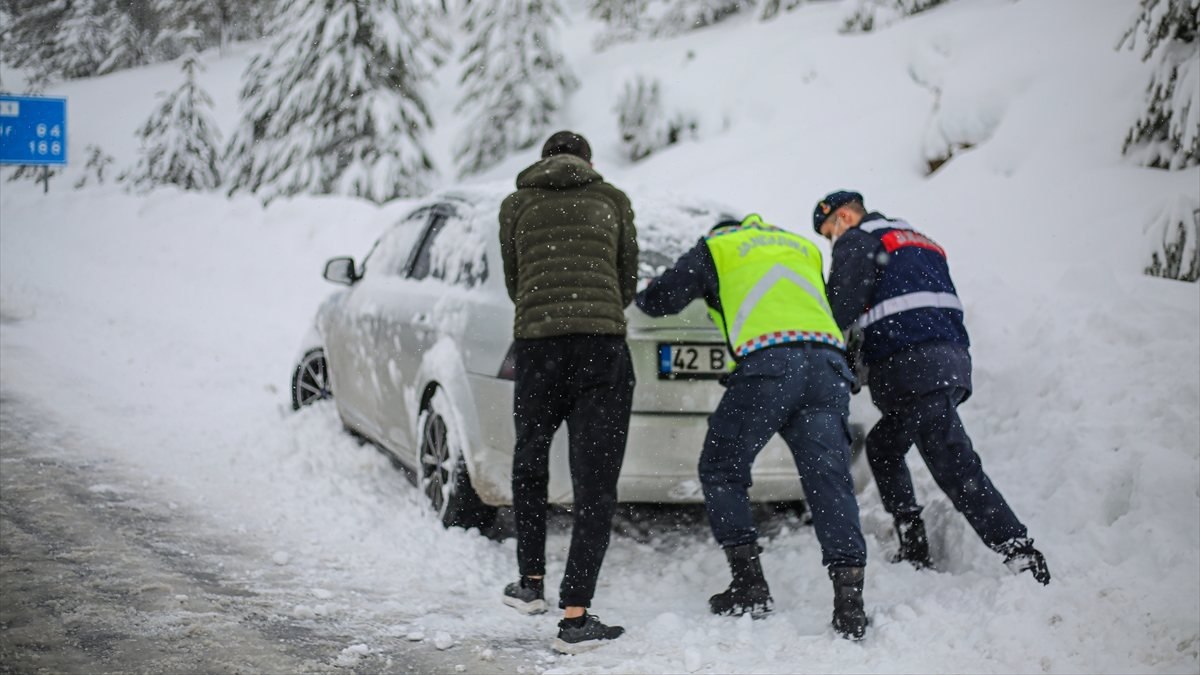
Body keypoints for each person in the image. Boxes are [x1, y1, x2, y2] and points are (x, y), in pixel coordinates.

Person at [636, 213, 869, 641]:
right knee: (829, 480)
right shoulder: (802, 246)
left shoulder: (717, 248)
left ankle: (749, 585)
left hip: (770, 364)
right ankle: (850, 604)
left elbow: (659, 301)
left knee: (722, 467)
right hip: (827, 364)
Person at [813, 189, 1051, 585]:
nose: (831, 241)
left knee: (952, 460)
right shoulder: (915, 237)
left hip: (910, 364)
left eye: (828, 232)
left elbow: (839, 309)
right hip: (950, 360)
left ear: (842, 218)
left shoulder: (858, 239)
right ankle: (913, 540)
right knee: (884, 447)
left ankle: (1019, 551)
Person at [498, 130, 639, 654]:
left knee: (530, 459)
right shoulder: (612, 200)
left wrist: (550, 310)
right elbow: (627, 280)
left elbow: (516, 282)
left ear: (543, 161)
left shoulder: (516, 203)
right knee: (595, 482)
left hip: (537, 348)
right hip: (601, 348)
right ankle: (575, 617)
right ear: (589, 161)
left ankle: (530, 583)